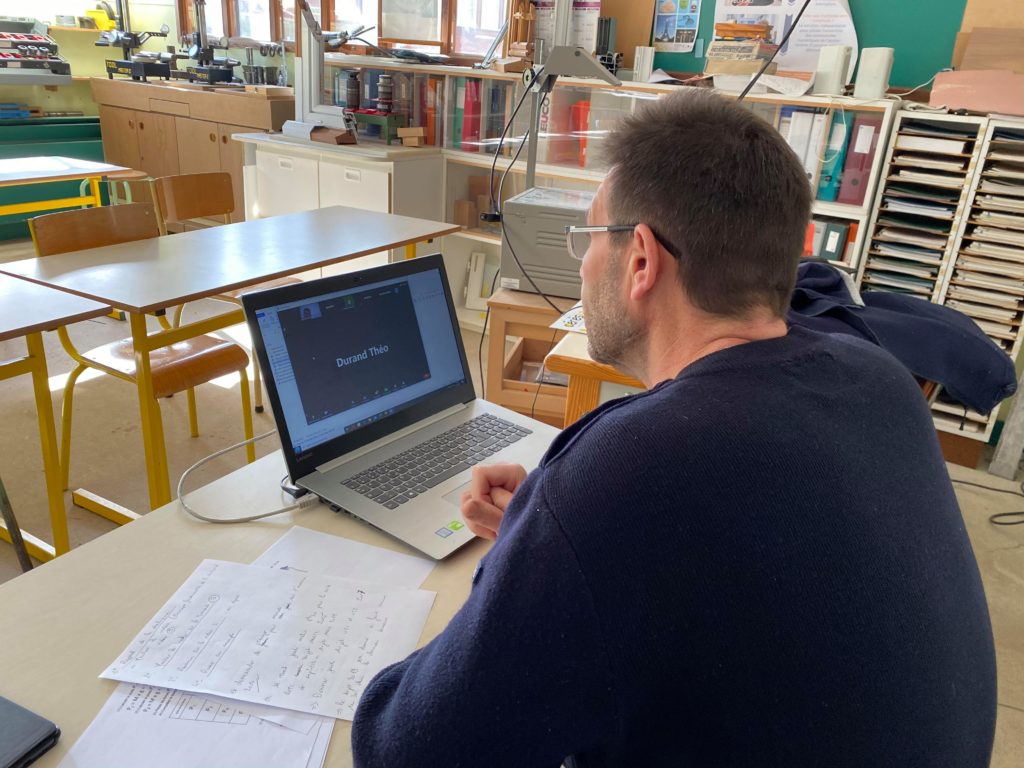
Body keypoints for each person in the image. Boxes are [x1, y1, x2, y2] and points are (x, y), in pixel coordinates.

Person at [352, 90, 996, 766]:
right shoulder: (877, 376)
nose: (582, 265)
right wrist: (544, 537)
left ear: (640, 260)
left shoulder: (630, 470)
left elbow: (404, 751)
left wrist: (535, 549)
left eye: (590, 238)